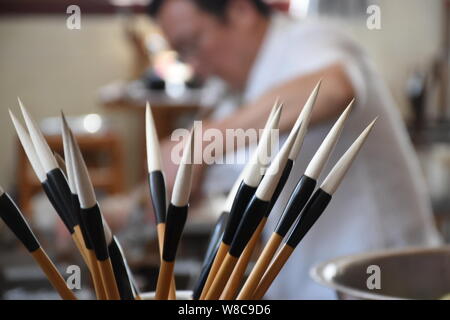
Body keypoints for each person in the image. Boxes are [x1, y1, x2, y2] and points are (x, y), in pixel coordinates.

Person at [147, 0, 442, 299]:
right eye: (181, 53)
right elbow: (224, 169)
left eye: (192, 43)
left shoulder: (308, 39)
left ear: (240, 10)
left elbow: (335, 89)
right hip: (305, 277)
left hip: (376, 276)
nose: (193, 66)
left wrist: (202, 142)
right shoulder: (235, 92)